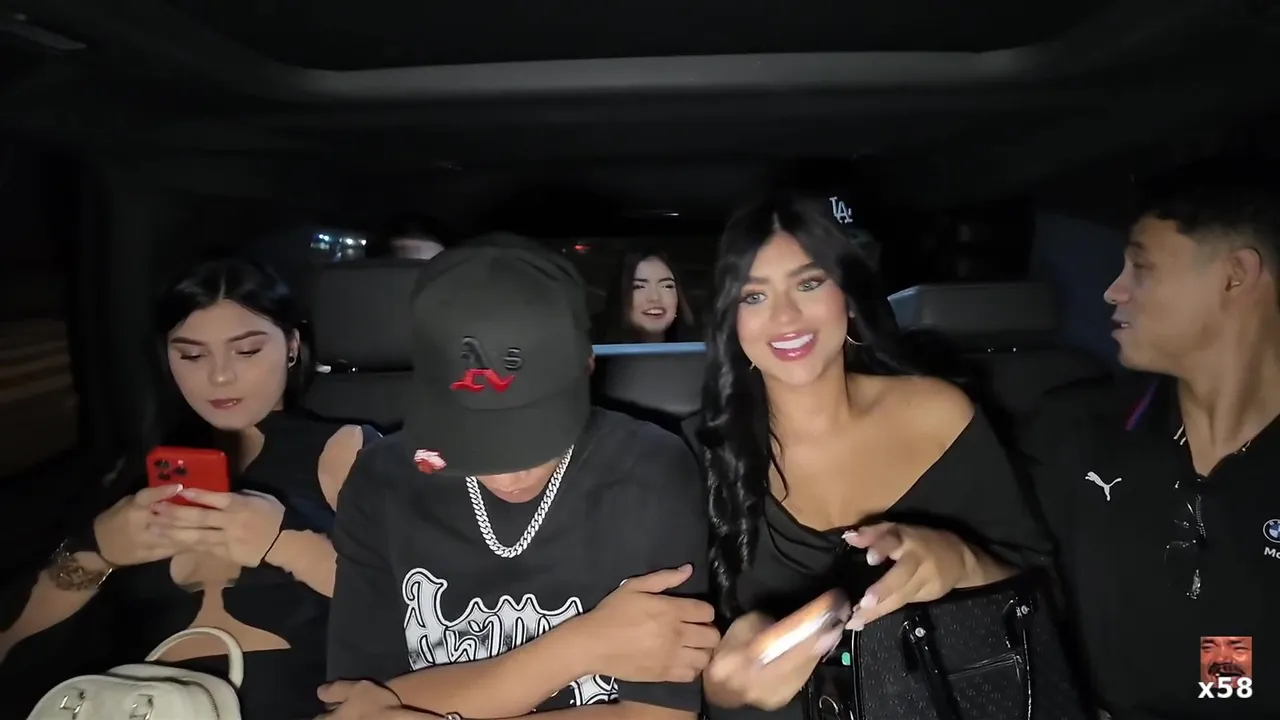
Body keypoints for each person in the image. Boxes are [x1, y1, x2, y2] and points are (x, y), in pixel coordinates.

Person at [323, 236, 716, 720]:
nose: (508, 475)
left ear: (586, 365)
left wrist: (423, 702)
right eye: (472, 440)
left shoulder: (649, 469)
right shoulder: (384, 480)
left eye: (533, 436)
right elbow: (349, 704)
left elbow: (658, 716)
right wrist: (579, 648)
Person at [693, 195, 1052, 714]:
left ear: (848, 294)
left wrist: (962, 562)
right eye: (754, 296)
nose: (785, 316)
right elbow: (666, 675)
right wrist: (723, 687)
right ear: (730, 321)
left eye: (808, 284)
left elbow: (1046, 598)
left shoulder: (938, 417)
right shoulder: (698, 454)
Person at [0, 258, 373, 719]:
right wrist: (97, 552)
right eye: (192, 355)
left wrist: (285, 544)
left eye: (247, 351)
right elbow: (12, 637)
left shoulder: (343, 451)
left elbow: (414, 608)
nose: (219, 376)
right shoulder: (133, 471)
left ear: (292, 345)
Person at [1022, 159, 1280, 718]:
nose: (1113, 291)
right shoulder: (1072, 433)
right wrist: (954, 561)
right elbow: (1005, 575)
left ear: (1235, 276)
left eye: (1140, 267)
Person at [597, 248, 699, 343]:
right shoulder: (595, 352)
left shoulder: (699, 351)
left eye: (667, 286)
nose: (655, 297)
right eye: (639, 287)